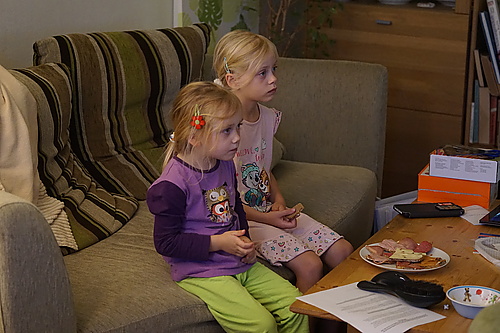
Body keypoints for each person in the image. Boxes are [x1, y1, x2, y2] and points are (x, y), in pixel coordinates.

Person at [146, 81, 309, 333]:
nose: (237, 138)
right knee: (261, 325)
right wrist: (218, 243)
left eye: (238, 127)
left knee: (296, 307)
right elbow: (166, 243)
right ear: (194, 136)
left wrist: (247, 244)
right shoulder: (171, 186)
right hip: (199, 269)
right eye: (226, 130)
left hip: (238, 260)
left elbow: (236, 210)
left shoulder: (224, 163)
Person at [213, 30, 354, 293]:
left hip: (267, 210)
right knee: (310, 265)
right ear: (233, 80)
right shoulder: (221, 129)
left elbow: (261, 167)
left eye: (274, 69)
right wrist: (268, 218)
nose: (274, 79)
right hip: (239, 219)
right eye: (262, 73)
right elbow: (221, 199)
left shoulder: (267, 118)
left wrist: (277, 199)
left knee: (342, 251)